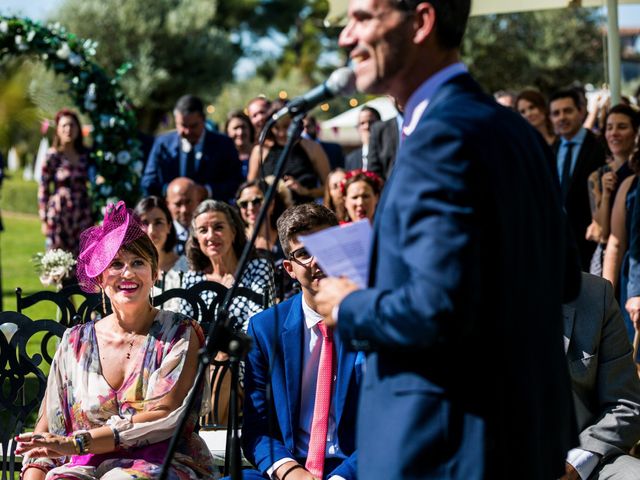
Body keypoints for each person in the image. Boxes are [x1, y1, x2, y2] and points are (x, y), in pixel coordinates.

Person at [315, 1, 581, 478]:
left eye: (362, 18)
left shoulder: (442, 137)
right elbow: (562, 278)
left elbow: (439, 308)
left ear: (421, 22)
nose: (345, 37)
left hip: (445, 447)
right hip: (518, 440)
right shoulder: (516, 131)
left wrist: (350, 304)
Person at [16, 201, 215, 479]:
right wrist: (34, 471)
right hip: (82, 465)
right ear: (99, 278)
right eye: (116, 264)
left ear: (155, 273)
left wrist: (76, 443)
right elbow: (48, 429)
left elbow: (164, 415)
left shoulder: (180, 334)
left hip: (164, 461)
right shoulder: (74, 342)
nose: (127, 273)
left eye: (138, 263)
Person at [241, 203, 362, 480]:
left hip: (355, 465)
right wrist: (290, 471)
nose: (317, 261)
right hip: (293, 464)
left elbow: (386, 421)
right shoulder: (264, 328)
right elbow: (256, 427)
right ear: (289, 268)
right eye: (304, 253)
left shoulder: (367, 319)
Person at [561, 273, 640, 480]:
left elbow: (625, 404)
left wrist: (574, 465)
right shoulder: (471, 293)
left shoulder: (595, 294)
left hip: (583, 459)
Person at [181, 199, 275, 329]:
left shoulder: (258, 268)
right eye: (203, 230)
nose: (211, 236)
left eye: (218, 227)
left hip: (245, 347)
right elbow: (185, 328)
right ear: (196, 237)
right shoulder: (192, 278)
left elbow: (260, 321)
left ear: (233, 232)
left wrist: (226, 347)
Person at [141, 94, 243, 202]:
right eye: (183, 126)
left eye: (193, 126)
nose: (188, 131)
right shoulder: (162, 144)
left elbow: (235, 182)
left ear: (203, 120)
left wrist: (207, 191)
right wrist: (171, 190)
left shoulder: (224, 144)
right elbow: (147, 182)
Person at [550, 89, 607, 270]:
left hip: (589, 241)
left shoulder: (600, 147)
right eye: (556, 113)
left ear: (581, 111)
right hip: (557, 241)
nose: (562, 117)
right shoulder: (550, 149)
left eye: (567, 111)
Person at [587, 104, 638, 276]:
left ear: (635, 132)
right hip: (609, 261)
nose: (614, 133)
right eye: (609, 128)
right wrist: (607, 196)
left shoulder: (637, 175)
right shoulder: (597, 177)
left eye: (622, 127)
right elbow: (601, 232)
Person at [247, 101, 331, 204]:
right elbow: (250, 188)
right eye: (276, 128)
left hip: (304, 211)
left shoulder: (312, 148)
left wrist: (306, 191)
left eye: (286, 127)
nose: (281, 133)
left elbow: (329, 187)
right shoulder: (260, 150)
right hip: (274, 215)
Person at [38, 108, 94, 257]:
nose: (68, 129)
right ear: (57, 130)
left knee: (83, 260)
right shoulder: (52, 156)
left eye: (72, 125)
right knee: (60, 262)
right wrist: (44, 219)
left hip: (82, 214)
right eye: (64, 126)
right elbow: (43, 188)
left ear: (78, 129)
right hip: (59, 215)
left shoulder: (87, 155)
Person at [134, 196, 188, 311]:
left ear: (169, 226)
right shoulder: (129, 269)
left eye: (158, 222)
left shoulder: (187, 267)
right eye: (144, 223)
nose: (151, 230)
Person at [166, 177, 199, 256]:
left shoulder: (208, 234)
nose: (184, 209)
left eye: (189, 202)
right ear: (167, 204)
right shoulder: (161, 236)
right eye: (178, 204)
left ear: (198, 201)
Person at [345, 106, 381, 171]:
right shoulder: (351, 159)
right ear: (357, 128)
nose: (367, 126)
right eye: (362, 123)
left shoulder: (389, 153)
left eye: (371, 122)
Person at [225, 110, 255, 180]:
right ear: (227, 131)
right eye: (235, 128)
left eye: (243, 127)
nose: (240, 132)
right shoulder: (223, 157)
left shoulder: (260, 153)